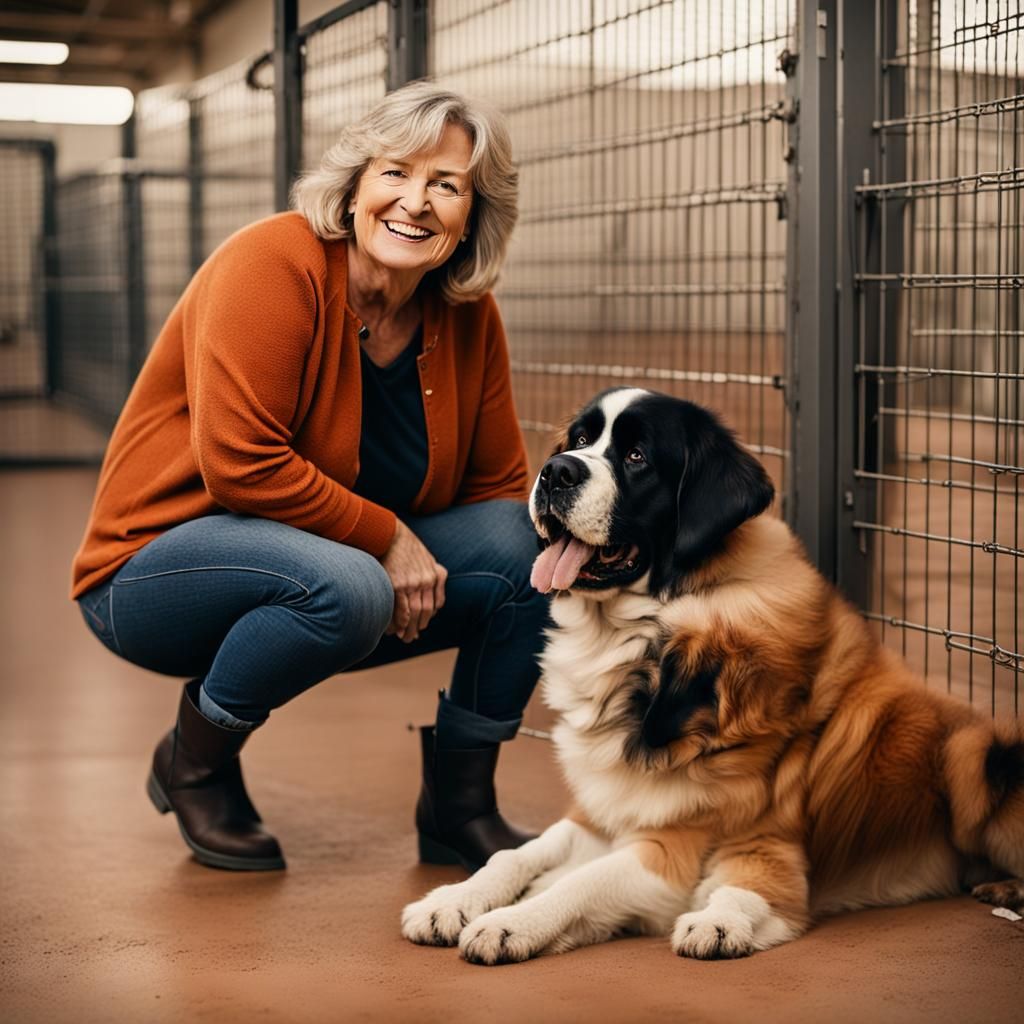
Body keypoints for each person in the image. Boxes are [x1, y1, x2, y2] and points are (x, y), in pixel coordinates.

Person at [71, 81, 547, 874]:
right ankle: (195, 763)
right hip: (148, 572)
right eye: (396, 172)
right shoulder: (273, 263)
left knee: (526, 557)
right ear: (356, 184)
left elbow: (496, 490)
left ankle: (459, 809)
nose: (416, 202)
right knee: (350, 585)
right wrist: (388, 538)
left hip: (327, 567)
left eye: (446, 185)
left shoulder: (467, 313)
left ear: (474, 214)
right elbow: (239, 464)